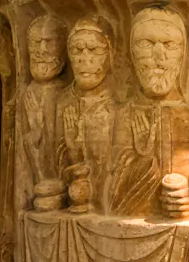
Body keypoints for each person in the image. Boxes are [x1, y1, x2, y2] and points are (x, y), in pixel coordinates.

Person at [108, 5, 189, 219]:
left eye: (169, 44)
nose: (158, 55)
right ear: (131, 53)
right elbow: (114, 200)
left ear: (183, 54)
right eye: (146, 44)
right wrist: (142, 158)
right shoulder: (123, 116)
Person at [56, 17, 118, 213]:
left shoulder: (118, 102)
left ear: (111, 55)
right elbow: (53, 164)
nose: (85, 59)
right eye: (77, 50)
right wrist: (72, 152)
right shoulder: (64, 101)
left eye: (95, 50)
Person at [19, 14, 69, 210]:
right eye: (36, 43)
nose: (41, 50)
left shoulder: (67, 95)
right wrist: (35, 132)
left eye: (49, 42)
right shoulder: (29, 93)